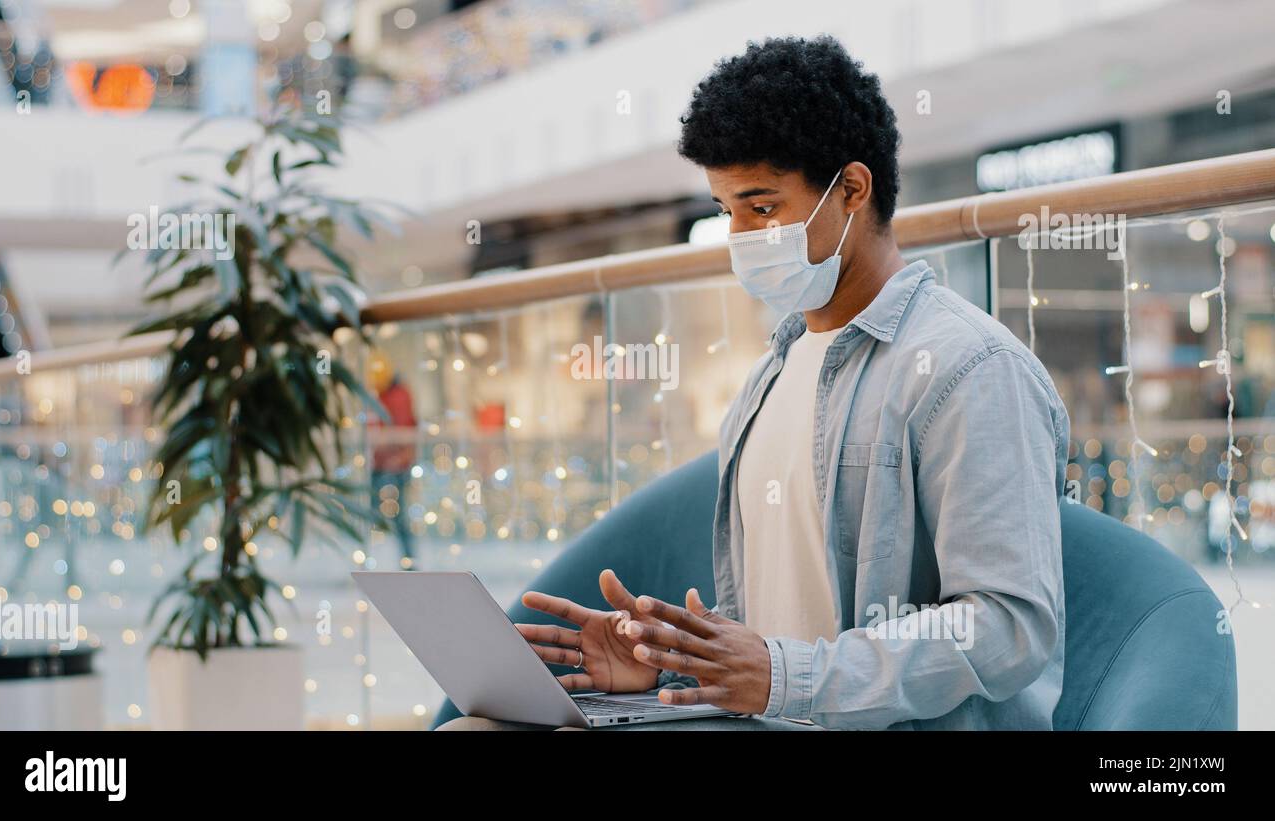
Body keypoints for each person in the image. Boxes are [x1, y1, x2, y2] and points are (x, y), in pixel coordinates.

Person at [441, 35, 1069, 731]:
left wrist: (781, 675)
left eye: (761, 208)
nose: (738, 234)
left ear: (853, 190)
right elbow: (775, 636)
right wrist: (672, 667)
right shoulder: (770, 376)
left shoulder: (969, 369)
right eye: (724, 210)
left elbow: (1010, 627)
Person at [368, 350, 418, 561]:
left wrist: (399, 455)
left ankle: (407, 561)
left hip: (395, 465)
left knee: (398, 517)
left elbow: (402, 426)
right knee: (384, 515)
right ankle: (404, 560)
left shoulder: (398, 395)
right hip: (380, 463)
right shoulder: (382, 394)